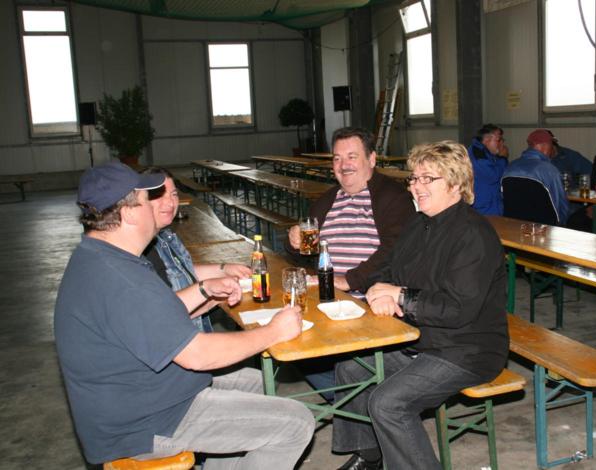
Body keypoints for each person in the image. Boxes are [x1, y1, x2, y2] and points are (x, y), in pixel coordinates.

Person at [54, 162, 314, 468]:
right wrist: (274, 331)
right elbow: (199, 356)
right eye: (147, 199)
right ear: (129, 214)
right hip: (145, 424)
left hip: (147, 398)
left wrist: (205, 293)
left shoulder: (102, 257)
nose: (156, 206)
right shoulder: (121, 278)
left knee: (257, 382)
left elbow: (153, 316)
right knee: (296, 423)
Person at [332, 141, 508, 470]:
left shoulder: (474, 234)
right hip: (420, 338)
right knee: (351, 368)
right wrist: (376, 289)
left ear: (455, 183)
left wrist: (399, 296)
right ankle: (369, 456)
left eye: (428, 178)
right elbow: (390, 269)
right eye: (414, 178)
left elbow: (457, 309)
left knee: (388, 403)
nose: (416, 186)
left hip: (467, 350)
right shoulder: (419, 223)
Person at [286, 127, 416, 401]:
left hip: (370, 302)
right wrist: (293, 241)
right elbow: (306, 255)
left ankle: (358, 398)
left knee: (312, 353)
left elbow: (395, 251)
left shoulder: (393, 197)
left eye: (352, 156)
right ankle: (357, 398)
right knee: (288, 342)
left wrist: (349, 280)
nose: (343, 165)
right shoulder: (326, 201)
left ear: (372, 159)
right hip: (327, 300)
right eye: (337, 158)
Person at [141, 167, 251, 332]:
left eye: (174, 194)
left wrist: (224, 269)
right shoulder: (141, 249)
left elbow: (179, 271)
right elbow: (162, 314)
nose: (170, 203)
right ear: (140, 201)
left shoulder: (163, 236)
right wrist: (210, 293)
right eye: (159, 195)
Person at [502, 129, 570, 225]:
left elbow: (503, 198)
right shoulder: (549, 170)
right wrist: (562, 224)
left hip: (514, 226)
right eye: (551, 144)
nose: (553, 148)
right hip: (543, 229)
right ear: (544, 145)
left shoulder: (510, 167)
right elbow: (560, 205)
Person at [467, 124, 508, 215]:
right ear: (486, 140)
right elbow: (492, 176)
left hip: (490, 205)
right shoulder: (478, 155)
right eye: (498, 140)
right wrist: (502, 158)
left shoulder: (487, 153)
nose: (501, 144)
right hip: (482, 210)